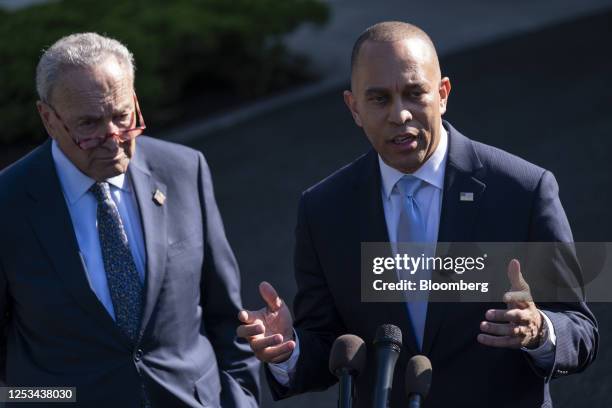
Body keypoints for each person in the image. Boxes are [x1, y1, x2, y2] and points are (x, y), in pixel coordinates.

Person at [237, 21, 598, 407]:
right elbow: (331, 347)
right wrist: (288, 348)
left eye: (414, 94)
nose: (400, 115)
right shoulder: (324, 209)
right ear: (354, 107)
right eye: (379, 99)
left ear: (442, 94)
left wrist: (540, 330)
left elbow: (580, 331)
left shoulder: (523, 190)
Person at [0, 32, 259, 407]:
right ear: (48, 118)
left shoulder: (184, 170)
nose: (112, 138)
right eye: (88, 125)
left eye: (122, 116)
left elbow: (226, 314)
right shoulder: (8, 204)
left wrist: (242, 399)